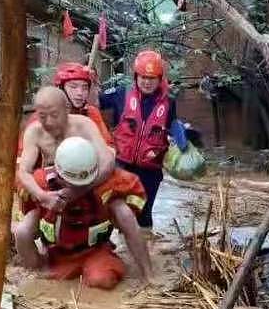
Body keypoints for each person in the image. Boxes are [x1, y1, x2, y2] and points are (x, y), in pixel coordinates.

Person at [15, 86, 153, 284]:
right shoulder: (34, 132)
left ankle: (148, 274)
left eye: (54, 115)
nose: (49, 122)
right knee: (22, 232)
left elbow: (107, 161)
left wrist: (79, 190)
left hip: (92, 181)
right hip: (53, 186)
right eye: (43, 115)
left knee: (124, 214)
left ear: (67, 109)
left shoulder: (85, 124)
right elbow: (23, 172)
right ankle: (41, 272)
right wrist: (43, 196)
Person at [20, 137, 139, 290]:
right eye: (72, 184)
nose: (76, 191)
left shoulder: (109, 183)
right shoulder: (40, 184)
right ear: (58, 174)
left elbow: (131, 224)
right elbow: (25, 225)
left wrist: (147, 273)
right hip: (57, 255)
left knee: (103, 280)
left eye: (82, 185)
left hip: (94, 252)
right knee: (40, 279)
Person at [100, 50, 178, 231]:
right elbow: (96, 101)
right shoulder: (121, 93)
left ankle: (148, 249)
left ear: (160, 79)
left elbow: (172, 125)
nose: (147, 82)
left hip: (151, 169)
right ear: (136, 76)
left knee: (143, 215)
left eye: (152, 78)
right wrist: (85, 82)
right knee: (115, 211)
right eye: (143, 77)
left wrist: (183, 136)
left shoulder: (170, 100)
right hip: (122, 165)